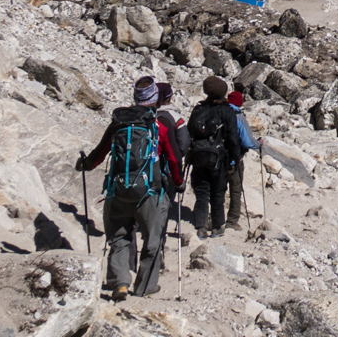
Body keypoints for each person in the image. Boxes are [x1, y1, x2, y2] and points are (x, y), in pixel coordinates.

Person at [76, 78, 183, 301]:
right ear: (156, 99)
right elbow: (174, 158)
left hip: (118, 189)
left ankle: (120, 282)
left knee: (119, 236)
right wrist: (179, 182)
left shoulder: (118, 124)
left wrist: (86, 164)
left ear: (135, 97)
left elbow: (100, 153)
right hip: (149, 192)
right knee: (151, 239)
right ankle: (145, 286)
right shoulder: (159, 126)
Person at [184, 76, 244, 237]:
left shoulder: (198, 110)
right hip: (219, 159)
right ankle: (218, 226)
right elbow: (232, 137)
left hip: (198, 157)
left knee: (201, 192)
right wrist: (236, 157)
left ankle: (201, 227)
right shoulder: (227, 111)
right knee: (218, 192)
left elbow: (189, 132)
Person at [224, 90, 260, 229]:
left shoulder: (219, 112)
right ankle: (232, 221)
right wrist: (258, 144)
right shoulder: (238, 116)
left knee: (219, 189)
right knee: (236, 190)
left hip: (217, 158)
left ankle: (216, 219)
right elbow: (247, 141)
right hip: (234, 159)